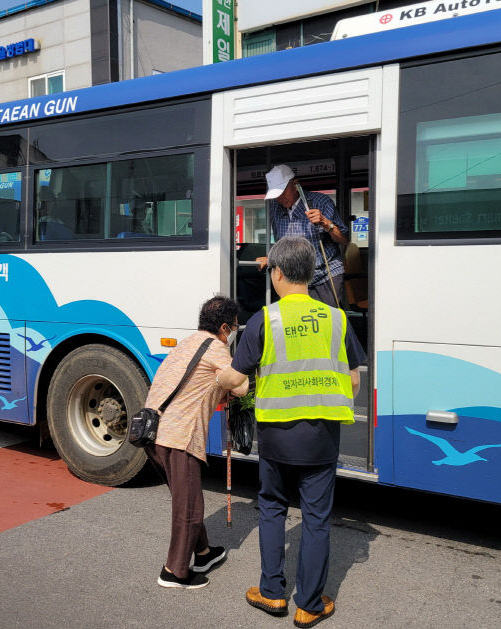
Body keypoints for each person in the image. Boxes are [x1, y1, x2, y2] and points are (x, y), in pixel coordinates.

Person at [217, 236, 365, 627]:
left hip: (277, 437)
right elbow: (353, 382)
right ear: (312, 272)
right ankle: (310, 605)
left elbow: (236, 377)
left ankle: (271, 594)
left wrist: (219, 374)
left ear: (277, 272)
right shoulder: (337, 318)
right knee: (316, 518)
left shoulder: (266, 320)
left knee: (272, 508)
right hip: (321, 438)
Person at [145, 296, 249, 590]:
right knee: (189, 507)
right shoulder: (215, 348)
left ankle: (203, 554)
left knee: (184, 498)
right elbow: (240, 386)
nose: (232, 336)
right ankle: (174, 572)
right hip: (180, 436)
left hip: (154, 434)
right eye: (235, 329)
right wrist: (227, 380)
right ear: (225, 328)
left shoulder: (187, 343)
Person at [257, 164, 349, 307]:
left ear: (296, 184)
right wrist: (271, 257)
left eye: (282, 192)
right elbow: (281, 242)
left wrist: (326, 223)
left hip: (324, 275)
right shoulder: (274, 207)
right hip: (293, 277)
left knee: (325, 319)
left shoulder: (321, 202)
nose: (280, 199)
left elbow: (343, 239)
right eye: (276, 195)